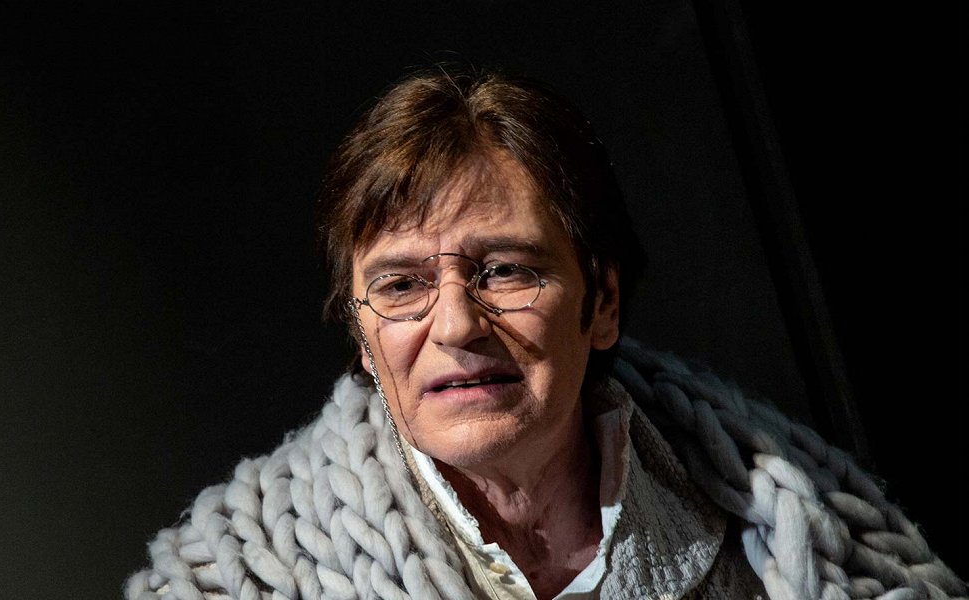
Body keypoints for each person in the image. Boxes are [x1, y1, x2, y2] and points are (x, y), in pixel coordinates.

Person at [125, 67, 965, 600]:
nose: (457, 324)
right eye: (401, 285)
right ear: (360, 332)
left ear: (602, 301)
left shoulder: (799, 521)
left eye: (504, 271)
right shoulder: (229, 580)